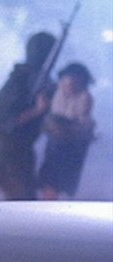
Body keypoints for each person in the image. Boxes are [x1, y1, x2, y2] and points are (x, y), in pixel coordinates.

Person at [0, 31, 56, 200]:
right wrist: (37, 110)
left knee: (25, 198)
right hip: (7, 153)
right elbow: (1, 120)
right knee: (19, 201)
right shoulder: (20, 81)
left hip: (20, 151)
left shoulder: (36, 79)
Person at [37, 62, 96, 200]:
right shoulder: (55, 91)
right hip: (55, 144)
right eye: (67, 80)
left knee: (62, 182)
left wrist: (65, 127)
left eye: (75, 81)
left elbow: (81, 123)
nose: (70, 85)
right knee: (49, 181)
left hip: (72, 146)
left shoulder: (85, 97)